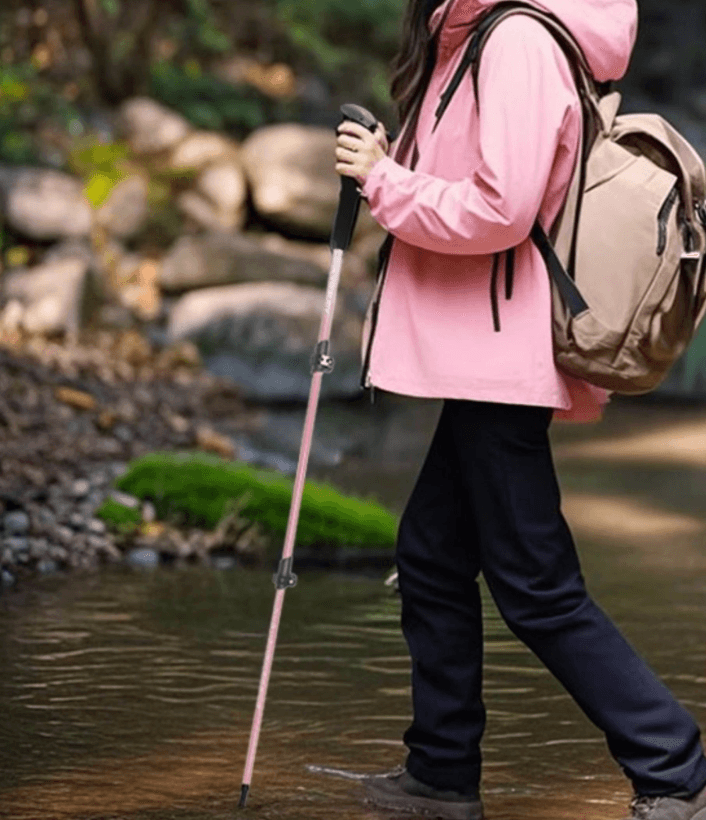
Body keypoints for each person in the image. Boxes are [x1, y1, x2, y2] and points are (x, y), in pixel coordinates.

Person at [334, 0, 706, 819]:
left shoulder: (520, 40)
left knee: (535, 584)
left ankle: (676, 769)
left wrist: (382, 179)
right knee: (431, 554)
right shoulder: (475, 34)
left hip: (500, 349)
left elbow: (501, 210)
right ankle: (439, 773)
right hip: (482, 347)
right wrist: (392, 166)